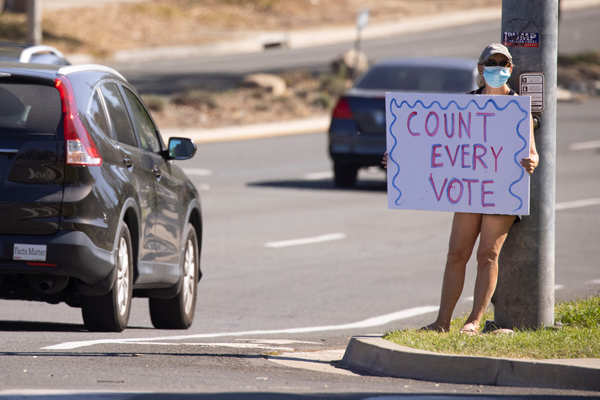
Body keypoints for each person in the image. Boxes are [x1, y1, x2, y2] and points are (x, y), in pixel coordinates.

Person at [384, 43, 539, 335]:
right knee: (457, 253)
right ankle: (442, 321)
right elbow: (430, 145)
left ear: (511, 68)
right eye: (491, 63)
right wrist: (396, 157)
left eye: (503, 63)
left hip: (502, 190)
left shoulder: (518, 106)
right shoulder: (465, 105)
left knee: (488, 255)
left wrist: (531, 161)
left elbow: (532, 151)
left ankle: (474, 320)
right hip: (470, 190)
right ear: (481, 69)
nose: (498, 69)